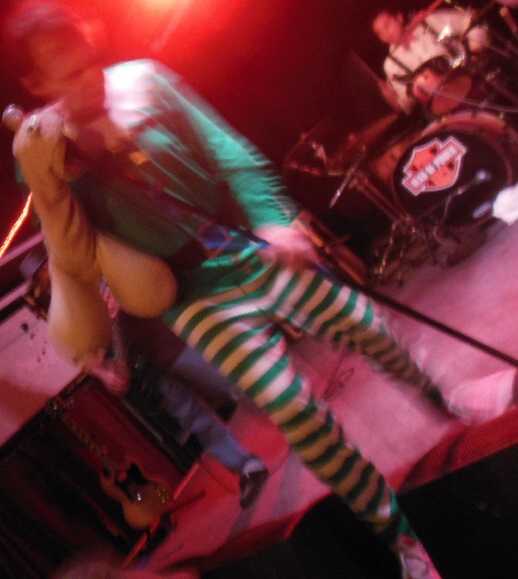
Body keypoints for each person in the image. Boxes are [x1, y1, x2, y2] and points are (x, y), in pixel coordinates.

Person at [8, 2, 448, 577]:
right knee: (295, 412)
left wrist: (273, 217)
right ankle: (402, 540)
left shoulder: (145, 79)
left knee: (371, 330)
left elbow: (225, 148)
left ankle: (435, 395)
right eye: (67, 76)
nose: (87, 80)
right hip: (195, 299)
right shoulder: (42, 155)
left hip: (250, 246)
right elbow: (70, 250)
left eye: (87, 63)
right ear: (38, 84)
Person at [85, 293, 269, 510]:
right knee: (197, 421)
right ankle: (248, 467)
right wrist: (102, 372)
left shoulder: (97, 275)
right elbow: (81, 353)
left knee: (236, 384)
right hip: (148, 367)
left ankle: (296, 411)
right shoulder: (68, 300)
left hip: (174, 337)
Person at [372, 7, 489, 113]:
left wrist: (474, 53)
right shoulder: (391, 65)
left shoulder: (428, 23)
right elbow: (406, 105)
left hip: (475, 81)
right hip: (445, 109)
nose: (386, 34)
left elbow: (472, 22)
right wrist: (395, 99)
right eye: (380, 33)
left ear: (399, 18)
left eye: (387, 25)